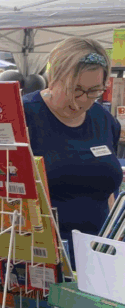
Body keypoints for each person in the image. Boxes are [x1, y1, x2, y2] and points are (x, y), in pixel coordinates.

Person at [23, 39, 122, 265]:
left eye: (93, 91)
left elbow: (108, 187)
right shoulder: (24, 115)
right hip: (40, 259)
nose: (81, 101)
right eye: (74, 89)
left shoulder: (103, 120)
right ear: (53, 77)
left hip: (98, 255)